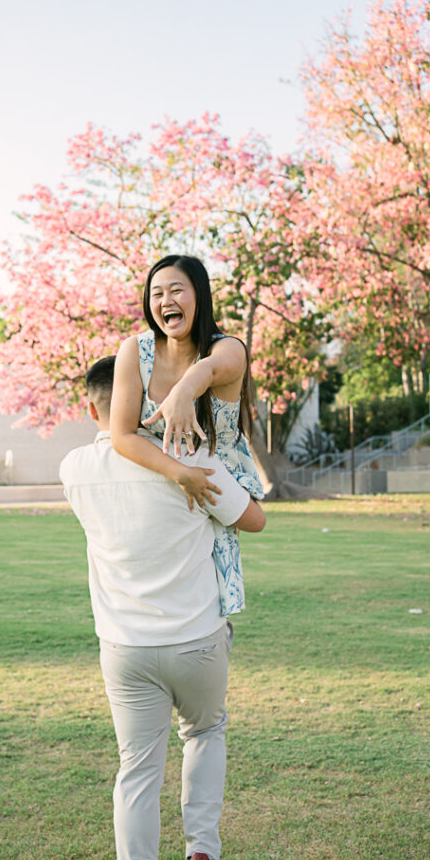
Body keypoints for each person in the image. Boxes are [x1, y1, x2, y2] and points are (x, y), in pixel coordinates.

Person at [59, 355, 265, 860]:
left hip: (125, 647)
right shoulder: (188, 458)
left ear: (91, 405)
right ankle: (202, 858)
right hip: (197, 638)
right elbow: (254, 519)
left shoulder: (74, 467)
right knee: (204, 734)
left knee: (137, 772)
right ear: (148, 395)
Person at [110, 254, 264, 616]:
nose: (166, 301)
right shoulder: (135, 350)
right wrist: (180, 474)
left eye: (177, 290)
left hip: (215, 476)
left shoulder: (228, 348)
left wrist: (183, 391)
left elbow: (209, 370)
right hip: (164, 480)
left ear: (200, 296)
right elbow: (121, 435)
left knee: (206, 595)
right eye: (156, 293)